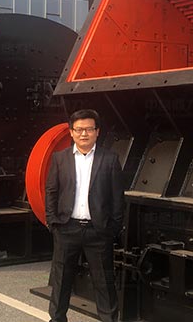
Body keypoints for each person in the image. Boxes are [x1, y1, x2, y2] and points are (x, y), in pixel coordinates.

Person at [45, 109, 124, 322]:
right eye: (79, 129)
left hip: (97, 230)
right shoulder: (60, 158)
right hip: (66, 228)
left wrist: (112, 228)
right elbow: (51, 191)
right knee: (61, 280)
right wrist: (53, 222)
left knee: (104, 282)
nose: (84, 134)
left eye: (89, 129)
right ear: (71, 132)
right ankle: (57, 319)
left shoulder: (110, 159)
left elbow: (117, 198)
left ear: (97, 132)